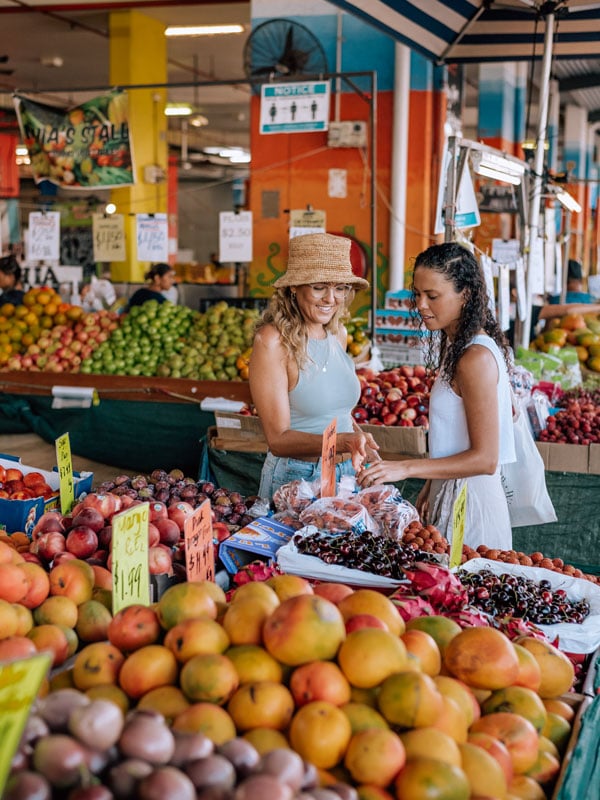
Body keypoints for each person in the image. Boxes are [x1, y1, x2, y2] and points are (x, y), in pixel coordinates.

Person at [357, 242, 516, 551]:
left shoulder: (474, 358)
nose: (421, 305)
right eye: (417, 294)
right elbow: (459, 435)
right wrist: (433, 481)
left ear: (465, 294)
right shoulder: (457, 345)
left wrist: (406, 468)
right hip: (455, 491)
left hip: (472, 506)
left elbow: (486, 459)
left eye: (432, 296)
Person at [249, 232, 379, 500]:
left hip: (344, 473)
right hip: (295, 477)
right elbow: (278, 440)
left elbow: (334, 410)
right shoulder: (272, 342)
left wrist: (358, 437)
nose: (331, 298)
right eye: (319, 287)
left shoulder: (338, 334)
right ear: (294, 287)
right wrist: (342, 441)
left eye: (340, 288)